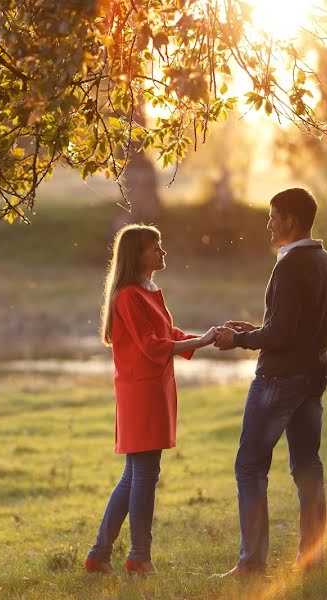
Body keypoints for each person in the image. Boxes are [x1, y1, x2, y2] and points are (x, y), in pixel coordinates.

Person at [214, 188, 327, 577]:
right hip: (313, 375)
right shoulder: (326, 262)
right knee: (307, 465)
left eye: (273, 216)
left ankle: (252, 562)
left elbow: (283, 334)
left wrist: (238, 339)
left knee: (250, 465)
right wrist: (256, 330)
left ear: (290, 220)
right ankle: (312, 557)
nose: (268, 224)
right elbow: (294, 329)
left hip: (279, 379)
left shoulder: (289, 265)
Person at [85, 224, 218, 575]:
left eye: (161, 246)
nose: (162, 252)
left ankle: (99, 556)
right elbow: (153, 346)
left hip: (154, 388)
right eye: (155, 248)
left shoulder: (149, 289)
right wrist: (200, 342)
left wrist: (205, 337)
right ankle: (139, 556)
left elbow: (166, 334)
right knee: (144, 473)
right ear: (137, 255)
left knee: (135, 474)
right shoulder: (129, 295)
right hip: (141, 391)